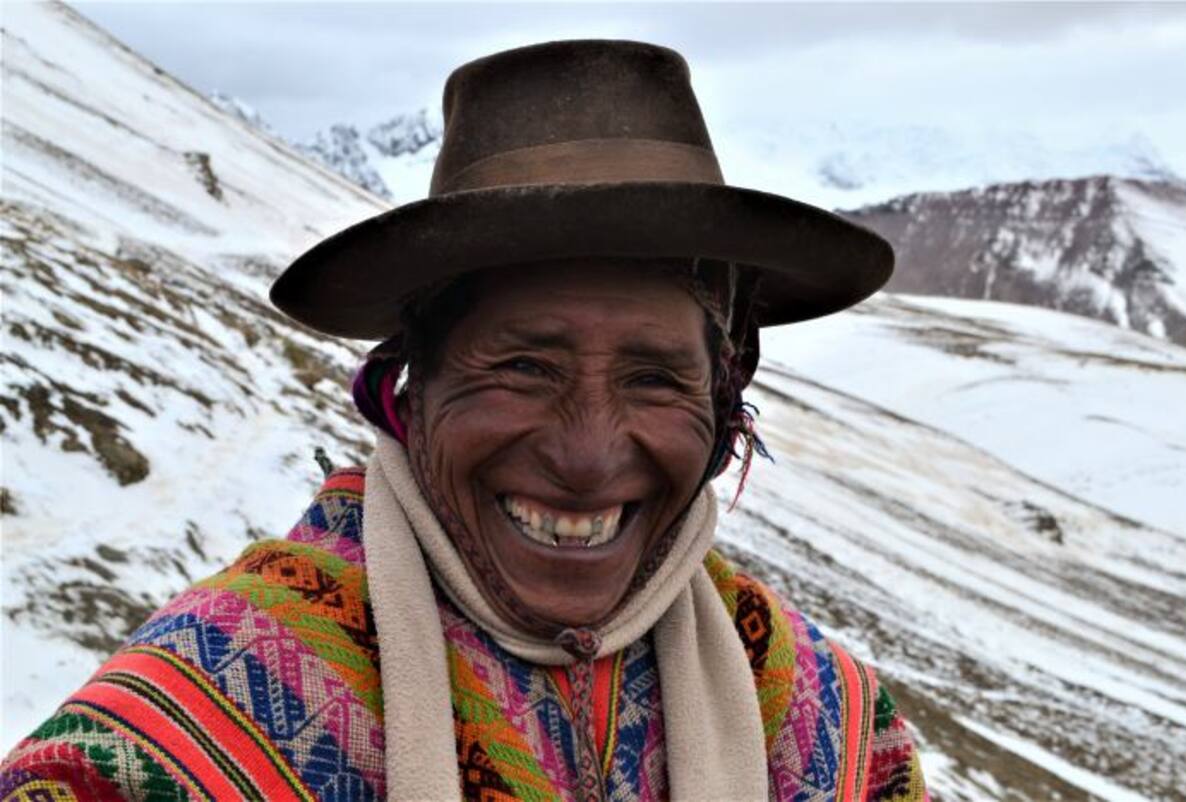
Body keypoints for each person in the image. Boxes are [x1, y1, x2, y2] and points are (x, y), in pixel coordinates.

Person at [1, 40, 927, 801]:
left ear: (724, 405)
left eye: (655, 379)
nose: (589, 454)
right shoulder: (184, 733)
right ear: (411, 387)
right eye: (524, 368)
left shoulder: (818, 715)